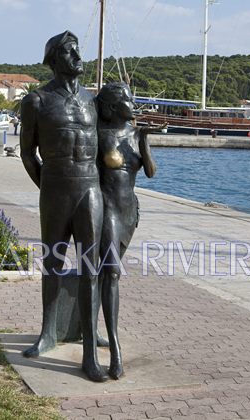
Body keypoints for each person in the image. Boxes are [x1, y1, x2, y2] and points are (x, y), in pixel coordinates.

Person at [20, 31, 106, 382]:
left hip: (91, 190)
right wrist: (48, 186)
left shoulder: (94, 100)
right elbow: (28, 154)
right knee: (53, 262)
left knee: (92, 267)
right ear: (55, 59)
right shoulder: (37, 101)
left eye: (78, 51)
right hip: (55, 187)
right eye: (71, 52)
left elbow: (111, 146)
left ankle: (89, 349)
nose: (78, 57)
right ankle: (48, 333)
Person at [95, 82, 164, 379]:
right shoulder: (99, 134)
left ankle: (88, 328)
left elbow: (150, 172)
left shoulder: (136, 134)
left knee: (104, 274)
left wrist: (145, 138)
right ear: (111, 106)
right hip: (106, 209)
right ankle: (115, 349)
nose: (132, 103)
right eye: (126, 99)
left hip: (129, 212)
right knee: (111, 272)